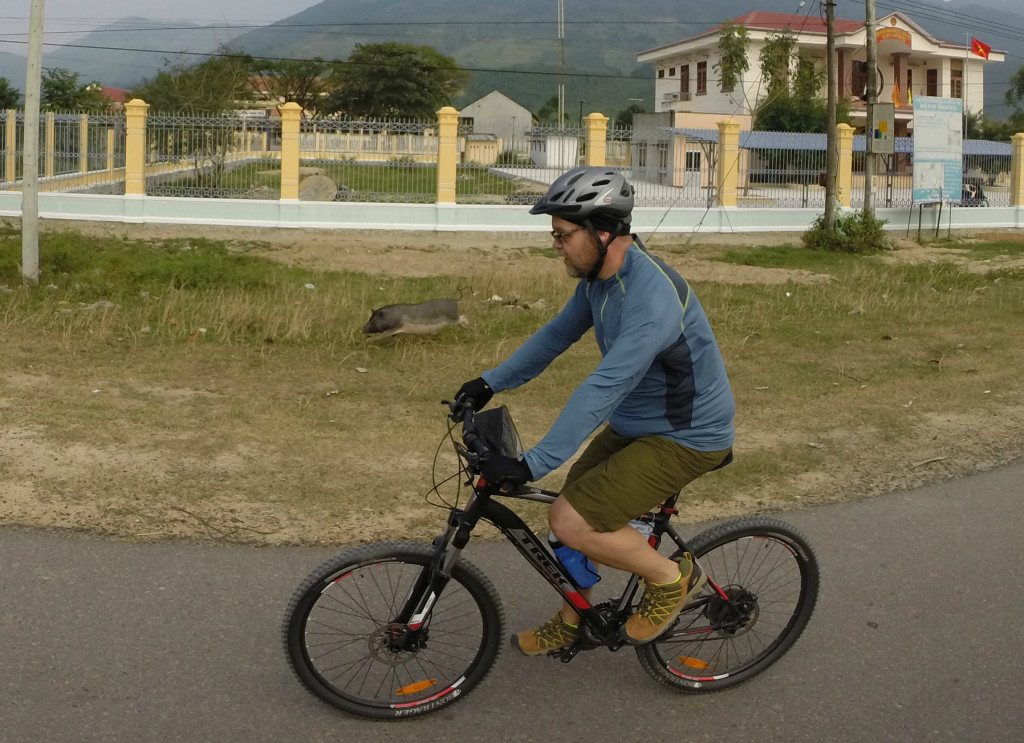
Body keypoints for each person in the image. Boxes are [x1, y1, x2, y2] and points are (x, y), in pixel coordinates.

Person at [455, 165, 735, 656]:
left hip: (687, 436)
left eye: (563, 235)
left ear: (601, 233)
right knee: (567, 517)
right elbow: (555, 337)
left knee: (571, 520)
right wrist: (488, 383)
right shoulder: (600, 281)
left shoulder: (651, 298)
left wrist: (533, 463)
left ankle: (671, 579)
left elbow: (606, 384)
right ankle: (576, 618)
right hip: (636, 426)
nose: (556, 246)